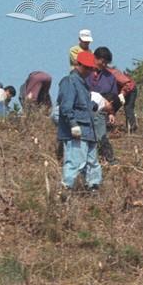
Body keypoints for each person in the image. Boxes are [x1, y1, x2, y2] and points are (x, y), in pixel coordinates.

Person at [57, 51, 101, 192]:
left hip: (89, 131)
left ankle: (93, 188)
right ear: (78, 65)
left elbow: (83, 106)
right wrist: (73, 124)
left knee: (92, 163)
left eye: (91, 68)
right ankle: (66, 190)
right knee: (75, 162)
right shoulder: (69, 81)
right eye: (86, 67)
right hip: (77, 130)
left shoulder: (83, 85)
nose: (89, 71)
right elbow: (66, 107)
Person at [88, 48, 122, 165]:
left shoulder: (110, 77)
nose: (103, 65)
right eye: (102, 62)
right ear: (95, 58)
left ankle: (108, 158)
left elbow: (114, 96)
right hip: (87, 107)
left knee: (101, 134)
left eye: (106, 63)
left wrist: (112, 113)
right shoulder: (86, 72)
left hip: (103, 109)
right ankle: (108, 158)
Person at [97, 50, 138, 133]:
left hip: (130, 90)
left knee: (128, 109)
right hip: (117, 93)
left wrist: (122, 95)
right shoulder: (97, 74)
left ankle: (132, 128)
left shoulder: (113, 73)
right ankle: (107, 126)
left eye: (106, 63)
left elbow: (128, 84)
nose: (104, 65)